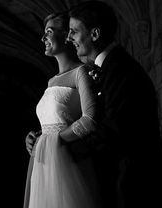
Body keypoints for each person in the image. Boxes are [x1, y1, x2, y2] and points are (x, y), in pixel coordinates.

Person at [65, 0, 162, 208]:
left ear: (95, 34)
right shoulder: (110, 68)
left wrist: (64, 150)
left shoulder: (121, 70)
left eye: (74, 31)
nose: (69, 38)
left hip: (137, 187)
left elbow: (114, 130)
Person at [22, 11, 102, 208]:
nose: (43, 38)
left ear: (67, 35)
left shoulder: (80, 72)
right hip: (44, 167)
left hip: (69, 165)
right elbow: (55, 119)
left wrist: (51, 141)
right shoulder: (51, 82)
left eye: (49, 31)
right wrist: (36, 137)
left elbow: (90, 119)